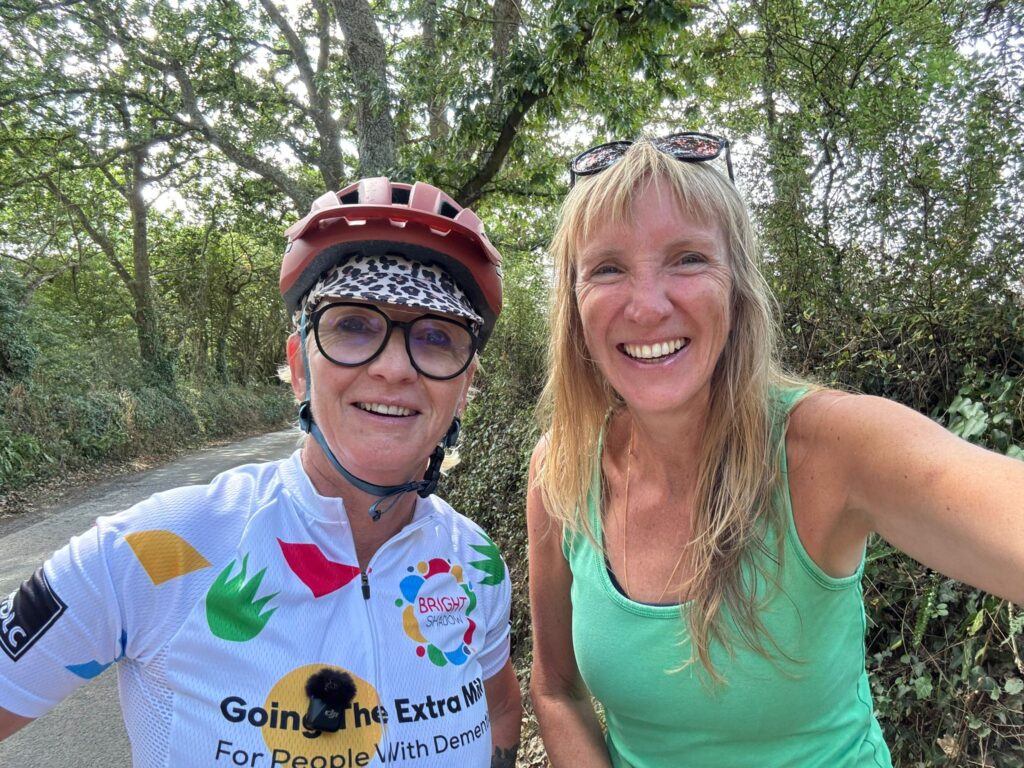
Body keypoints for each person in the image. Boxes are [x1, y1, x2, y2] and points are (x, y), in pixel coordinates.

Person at [527, 133, 1024, 767]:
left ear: (737, 286)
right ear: (574, 306)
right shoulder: (562, 469)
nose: (647, 306)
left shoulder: (835, 447)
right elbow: (556, 689)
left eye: (687, 259)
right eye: (607, 268)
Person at [0, 176, 522, 767]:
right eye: (354, 325)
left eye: (435, 337)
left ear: (464, 387)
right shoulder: (152, 550)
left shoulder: (475, 564)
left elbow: (502, 709)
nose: (395, 368)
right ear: (300, 367)